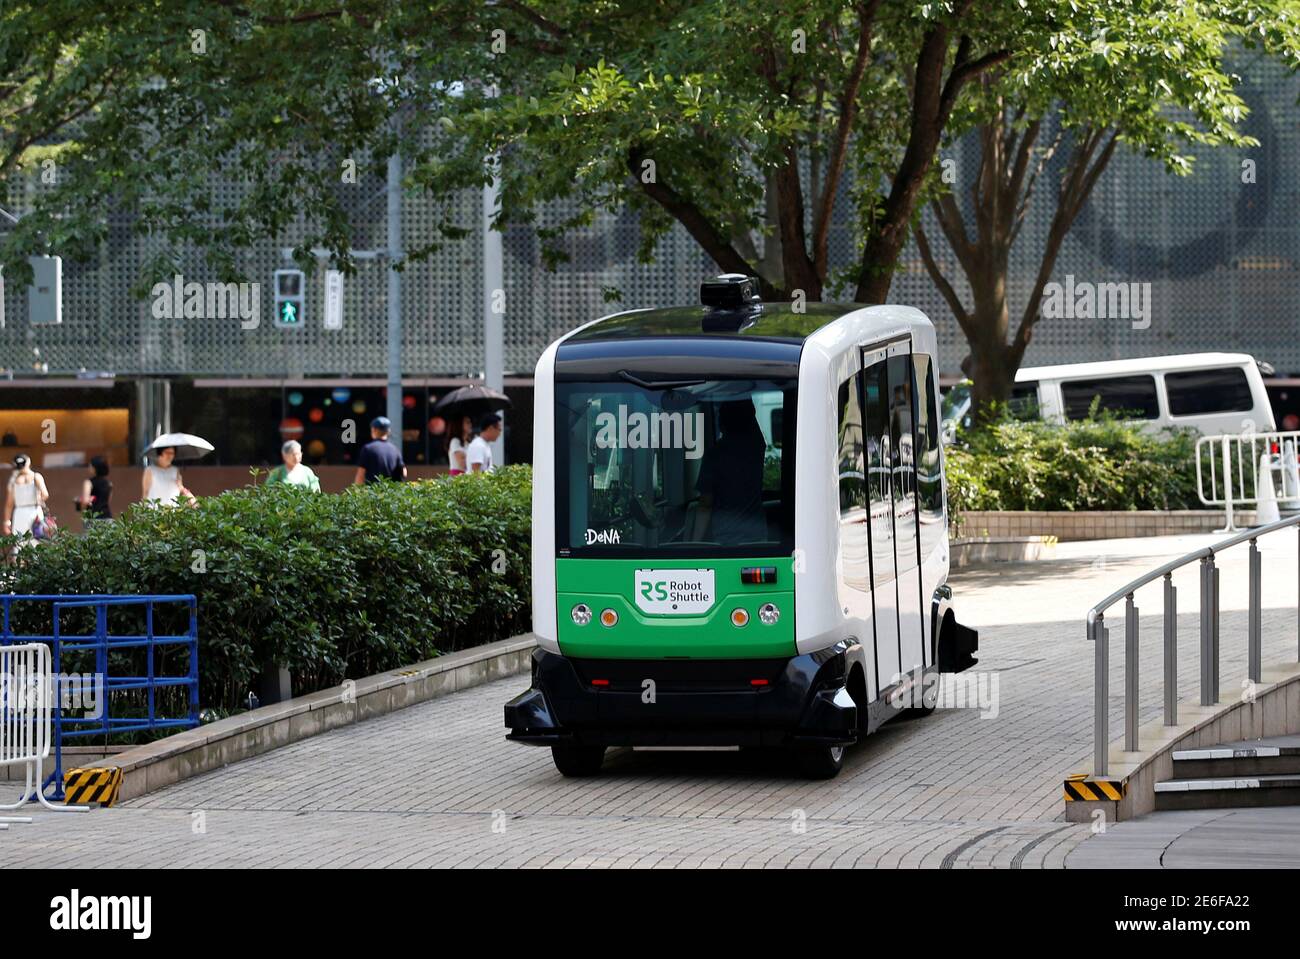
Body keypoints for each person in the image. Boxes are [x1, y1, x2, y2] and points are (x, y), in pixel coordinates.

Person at [692, 400, 767, 544]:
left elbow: (705, 505)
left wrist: (694, 544)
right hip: (758, 536)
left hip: (726, 538)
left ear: (722, 421)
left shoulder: (714, 455)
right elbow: (749, 412)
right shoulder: (756, 447)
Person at [4, 454, 49, 541]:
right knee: (36, 542)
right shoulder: (36, 476)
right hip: (34, 511)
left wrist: (7, 521)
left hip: (19, 513)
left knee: (20, 543)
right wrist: (39, 499)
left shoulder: (13, 480)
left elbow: (9, 504)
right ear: (28, 462)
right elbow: (45, 494)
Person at [354, 416, 407, 484]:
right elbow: (404, 472)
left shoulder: (368, 448)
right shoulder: (395, 449)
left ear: (374, 429)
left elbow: (361, 474)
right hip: (390, 492)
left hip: (373, 492)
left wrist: (358, 491)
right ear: (388, 431)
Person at [76, 455, 113, 522]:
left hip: (93, 518)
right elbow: (107, 501)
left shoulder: (88, 482)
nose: (89, 467)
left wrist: (79, 502)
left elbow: (85, 501)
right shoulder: (109, 483)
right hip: (107, 517)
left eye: (90, 465)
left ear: (94, 468)